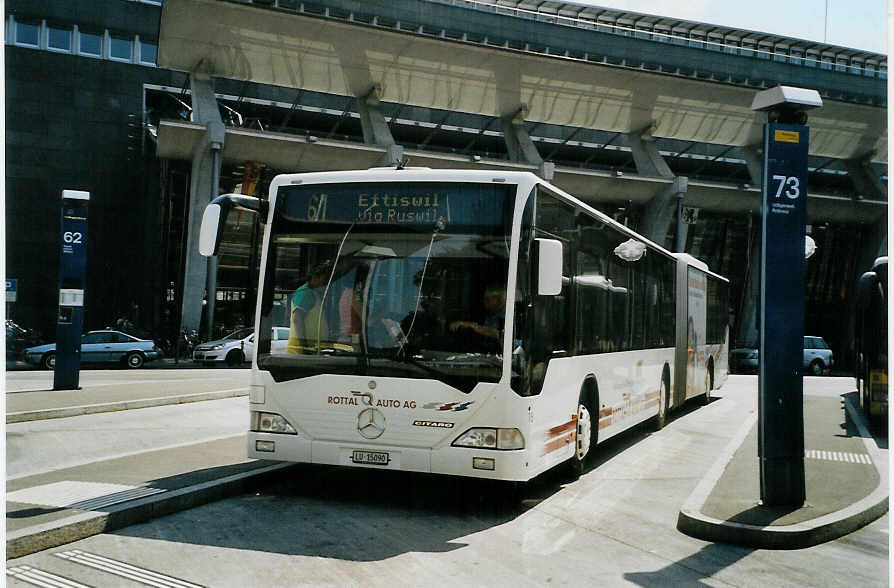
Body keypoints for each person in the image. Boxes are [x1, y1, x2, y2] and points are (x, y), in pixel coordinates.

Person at [286, 260, 332, 354]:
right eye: (323, 280)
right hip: (301, 352)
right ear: (314, 278)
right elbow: (297, 319)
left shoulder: (313, 293)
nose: (324, 284)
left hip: (311, 350)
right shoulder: (305, 293)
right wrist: (304, 347)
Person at [449, 284, 506, 348]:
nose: (484, 302)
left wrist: (473, 326)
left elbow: (498, 334)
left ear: (499, 299)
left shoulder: (507, 316)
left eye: (488, 299)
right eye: (484, 299)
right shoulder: (489, 314)